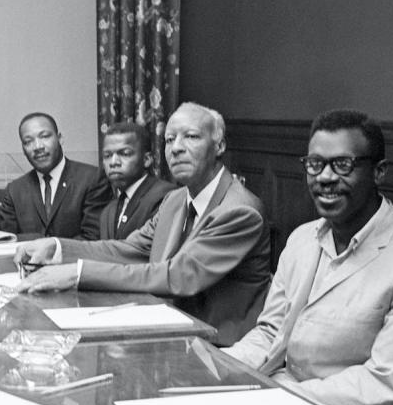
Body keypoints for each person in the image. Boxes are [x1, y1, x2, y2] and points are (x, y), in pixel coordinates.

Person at [224, 109, 393, 405]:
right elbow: (271, 332)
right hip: (282, 396)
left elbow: (385, 386)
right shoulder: (302, 238)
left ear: (378, 172)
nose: (325, 177)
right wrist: (220, 367)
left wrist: (276, 398)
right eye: (314, 164)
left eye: (342, 165)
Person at [15, 102, 271, 346]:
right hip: (170, 329)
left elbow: (178, 275)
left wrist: (76, 274)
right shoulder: (175, 199)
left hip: (220, 347)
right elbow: (128, 249)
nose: (176, 148)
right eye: (169, 140)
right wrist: (57, 247)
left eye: (191, 137)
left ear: (219, 146)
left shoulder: (239, 210)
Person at [0, 112, 111, 240]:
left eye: (45, 136)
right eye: (28, 141)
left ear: (60, 138)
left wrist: (51, 249)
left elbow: (94, 237)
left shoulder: (92, 179)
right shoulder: (14, 191)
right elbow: (8, 241)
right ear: (23, 149)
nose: (38, 147)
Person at [98, 122, 175, 240]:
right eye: (107, 155)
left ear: (147, 159)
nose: (113, 162)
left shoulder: (166, 196)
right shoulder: (108, 211)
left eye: (124, 154)